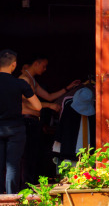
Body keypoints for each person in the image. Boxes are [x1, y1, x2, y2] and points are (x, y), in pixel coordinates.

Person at [19, 56, 79, 185]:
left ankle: (31, 183)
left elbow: (49, 96)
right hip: (27, 119)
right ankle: (25, 185)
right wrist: (48, 105)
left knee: (35, 154)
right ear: (36, 63)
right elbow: (26, 101)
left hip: (34, 121)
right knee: (27, 155)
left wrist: (68, 88)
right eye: (43, 66)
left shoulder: (32, 80)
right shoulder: (24, 79)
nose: (45, 69)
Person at [1, 50, 44, 194]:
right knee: (13, 165)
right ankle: (10, 200)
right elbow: (38, 106)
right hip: (15, 129)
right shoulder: (20, 83)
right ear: (13, 65)